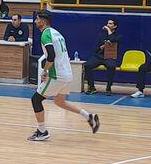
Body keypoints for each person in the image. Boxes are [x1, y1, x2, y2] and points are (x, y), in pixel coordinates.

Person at [27, 11, 100, 142]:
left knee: (36, 100)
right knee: (59, 101)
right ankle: (88, 116)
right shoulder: (57, 33)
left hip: (57, 75)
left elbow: (51, 55)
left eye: (37, 19)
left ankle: (42, 131)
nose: (35, 21)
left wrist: (45, 70)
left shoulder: (46, 34)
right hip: (67, 73)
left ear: (42, 21)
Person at [83, 18, 122, 95]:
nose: (108, 25)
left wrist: (108, 30)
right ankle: (91, 87)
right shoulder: (101, 35)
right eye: (108, 23)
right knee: (87, 65)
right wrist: (101, 47)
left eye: (110, 24)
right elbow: (96, 46)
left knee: (111, 66)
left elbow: (112, 39)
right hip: (99, 56)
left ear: (115, 26)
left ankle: (108, 87)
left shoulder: (118, 36)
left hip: (110, 57)